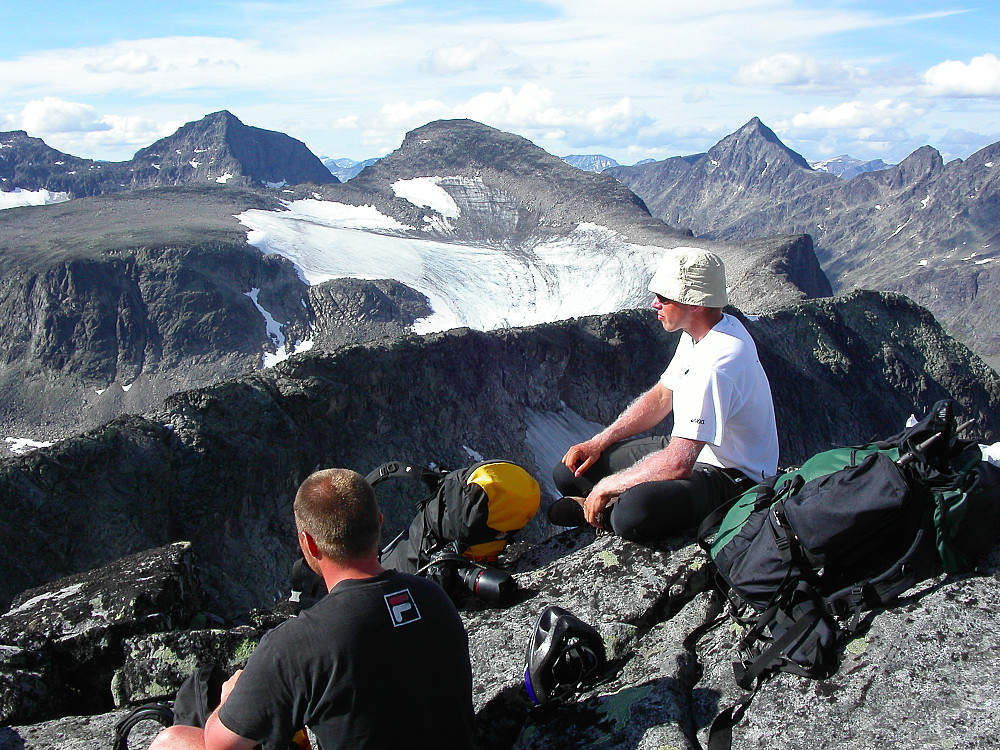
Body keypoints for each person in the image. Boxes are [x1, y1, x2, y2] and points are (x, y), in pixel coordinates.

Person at [150, 468, 476, 750]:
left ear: (309, 543)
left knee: (173, 739)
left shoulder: (297, 643)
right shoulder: (434, 597)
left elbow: (220, 743)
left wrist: (227, 700)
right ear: (378, 523)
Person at [549, 247, 779, 544]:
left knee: (634, 513)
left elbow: (677, 464)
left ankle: (605, 509)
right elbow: (661, 398)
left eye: (665, 298)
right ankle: (601, 505)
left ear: (694, 304)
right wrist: (598, 442)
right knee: (570, 472)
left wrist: (608, 487)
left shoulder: (718, 362)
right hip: (691, 448)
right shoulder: (699, 333)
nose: (655, 304)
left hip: (732, 476)